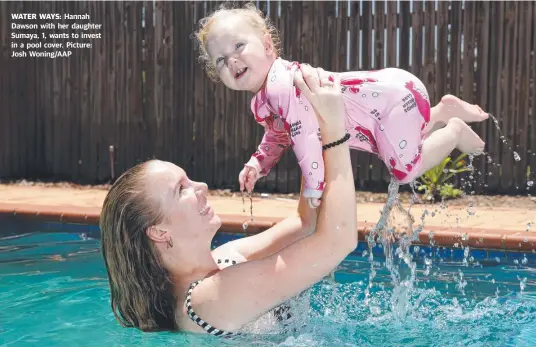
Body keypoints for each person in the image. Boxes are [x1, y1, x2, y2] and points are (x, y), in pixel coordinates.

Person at [99, 65, 358, 336]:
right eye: (181, 189)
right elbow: (338, 241)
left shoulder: (223, 261)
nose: (201, 187)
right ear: (159, 231)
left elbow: (306, 223)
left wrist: (308, 124)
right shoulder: (208, 300)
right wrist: (334, 131)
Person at [194, 3, 488, 208]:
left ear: (267, 45)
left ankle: (454, 130)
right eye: (220, 60)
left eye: (238, 46)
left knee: (405, 172)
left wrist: (314, 186)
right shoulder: (269, 94)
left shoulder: (282, 84)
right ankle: (442, 111)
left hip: (391, 102)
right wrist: (259, 163)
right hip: (392, 98)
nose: (231, 60)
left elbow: (305, 135)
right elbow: (280, 133)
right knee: (397, 148)